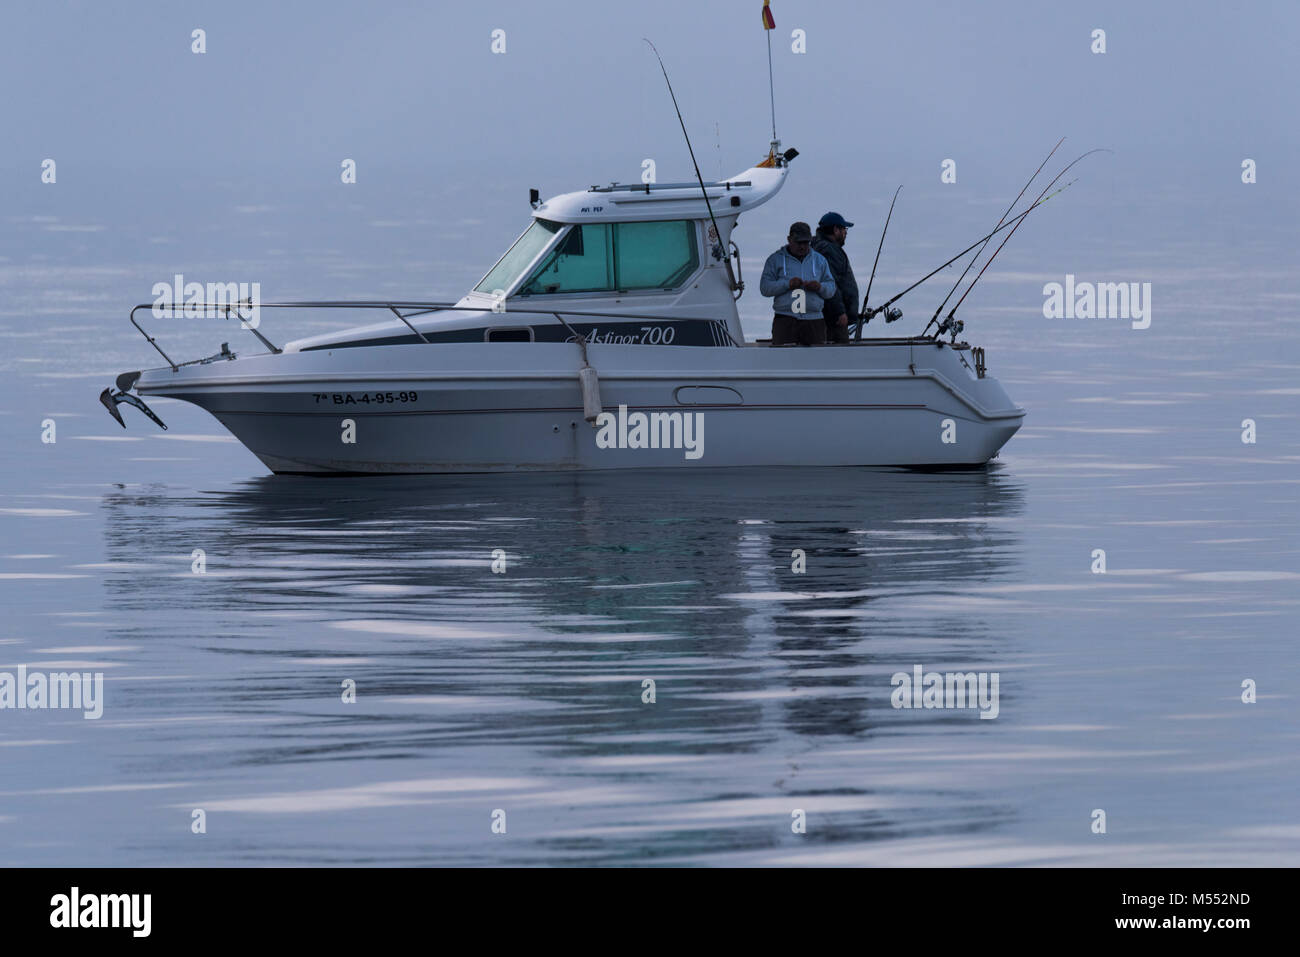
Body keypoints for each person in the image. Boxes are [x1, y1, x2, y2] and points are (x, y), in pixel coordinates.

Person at [759, 222, 837, 346]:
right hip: (785, 320)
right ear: (789, 240)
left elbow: (831, 289)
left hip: (814, 321)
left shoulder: (820, 260)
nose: (802, 246)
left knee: (817, 362)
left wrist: (819, 287)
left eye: (806, 242)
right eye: (798, 242)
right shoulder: (775, 260)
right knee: (783, 362)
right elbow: (765, 288)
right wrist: (787, 284)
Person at [812, 211, 861, 344]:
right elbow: (831, 282)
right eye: (844, 229)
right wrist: (839, 312)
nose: (845, 233)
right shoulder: (829, 250)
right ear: (835, 230)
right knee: (840, 357)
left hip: (826, 316)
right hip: (834, 319)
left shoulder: (819, 246)